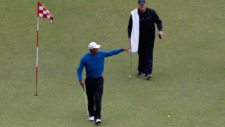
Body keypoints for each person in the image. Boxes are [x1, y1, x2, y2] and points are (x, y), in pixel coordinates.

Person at [77, 42, 128, 125]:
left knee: (97, 98)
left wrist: (122, 49)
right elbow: (79, 69)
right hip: (89, 80)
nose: (98, 48)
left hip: (99, 80)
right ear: (92, 50)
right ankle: (91, 114)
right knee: (90, 98)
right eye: (96, 48)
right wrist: (80, 79)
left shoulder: (101, 54)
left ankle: (98, 117)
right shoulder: (85, 58)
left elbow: (111, 52)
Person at [128, 0, 164, 80]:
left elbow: (158, 21)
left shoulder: (152, 12)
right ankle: (141, 70)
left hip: (149, 38)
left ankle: (148, 73)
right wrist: (130, 39)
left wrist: (160, 30)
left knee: (148, 54)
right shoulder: (134, 14)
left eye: (143, 5)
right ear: (138, 5)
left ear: (145, 4)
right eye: (140, 5)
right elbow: (130, 27)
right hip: (138, 38)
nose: (142, 6)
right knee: (141, 54)